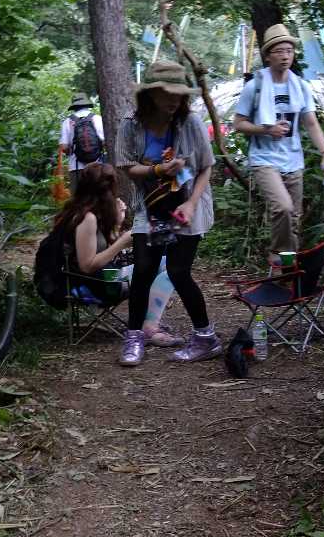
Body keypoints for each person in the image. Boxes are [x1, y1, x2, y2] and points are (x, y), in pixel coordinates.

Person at [115, 60, 220, 366]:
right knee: (144, 270)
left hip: (188, 205)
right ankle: (134, 337)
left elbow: (206, 167)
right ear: (150, 94)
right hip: (150, 206)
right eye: (167, 93)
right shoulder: (130, 125)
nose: (174, 100)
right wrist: (158, 169)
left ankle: (205, 337)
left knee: (177, 271)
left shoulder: (191, 123)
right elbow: (125, 166)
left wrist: (189, 204)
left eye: (180, 93)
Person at [233, 23, 324, 267]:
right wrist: (266, 129)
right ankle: (278, 257)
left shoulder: (300, 86)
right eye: (279, 51)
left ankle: (287, 269)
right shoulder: (254, 86)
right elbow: (238, 123)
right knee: (282, 207)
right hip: (264, 158)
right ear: (268, 55)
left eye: (289, 50)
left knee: (295, 217)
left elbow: (310, 123)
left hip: (293, 159)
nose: (285, 55)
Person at [52, 163, 183, 346]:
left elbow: (102, 248)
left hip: (100, 277)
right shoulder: (86, 218)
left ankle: (147, 322)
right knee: (171, 269)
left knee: (165, 263)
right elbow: (87, 265)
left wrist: (118, 221)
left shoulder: (85, 210)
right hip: (96, 284)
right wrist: (123, 241)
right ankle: (149, 326)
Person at [58, 92, 105, 193]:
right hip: (96, 166)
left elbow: (64, 147)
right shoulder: (97, 119)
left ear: (74, 106)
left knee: (79, 200)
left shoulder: (67, 122)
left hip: (76, 167)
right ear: (87, 104)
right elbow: (105, 142)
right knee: (99, 196)